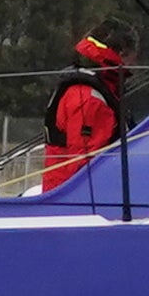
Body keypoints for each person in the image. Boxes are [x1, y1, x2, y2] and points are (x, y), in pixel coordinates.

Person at [36, 34, 131, 194]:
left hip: (67, 193)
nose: (134, 65)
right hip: (75, 199)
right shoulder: (89, 98)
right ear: (122, 54)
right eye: (134, 57)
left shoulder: (91, 88)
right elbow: (82, 160)